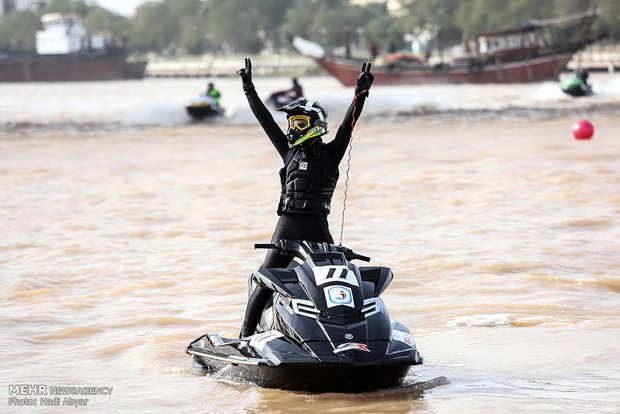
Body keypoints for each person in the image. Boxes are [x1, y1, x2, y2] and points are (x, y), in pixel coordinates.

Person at [236, 57, 374, 338]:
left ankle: (344, 334)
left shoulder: (332, 153)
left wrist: (360, 91)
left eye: (298, 122)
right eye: (291, 122)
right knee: (265, 279)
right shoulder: (289, 153)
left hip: (317, 229)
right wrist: (249, 88)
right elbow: (265, 120)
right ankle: (245, 337)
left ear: (315, 123)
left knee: (336, 282)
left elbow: (350, 121)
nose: (292, 128)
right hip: (287, 227)